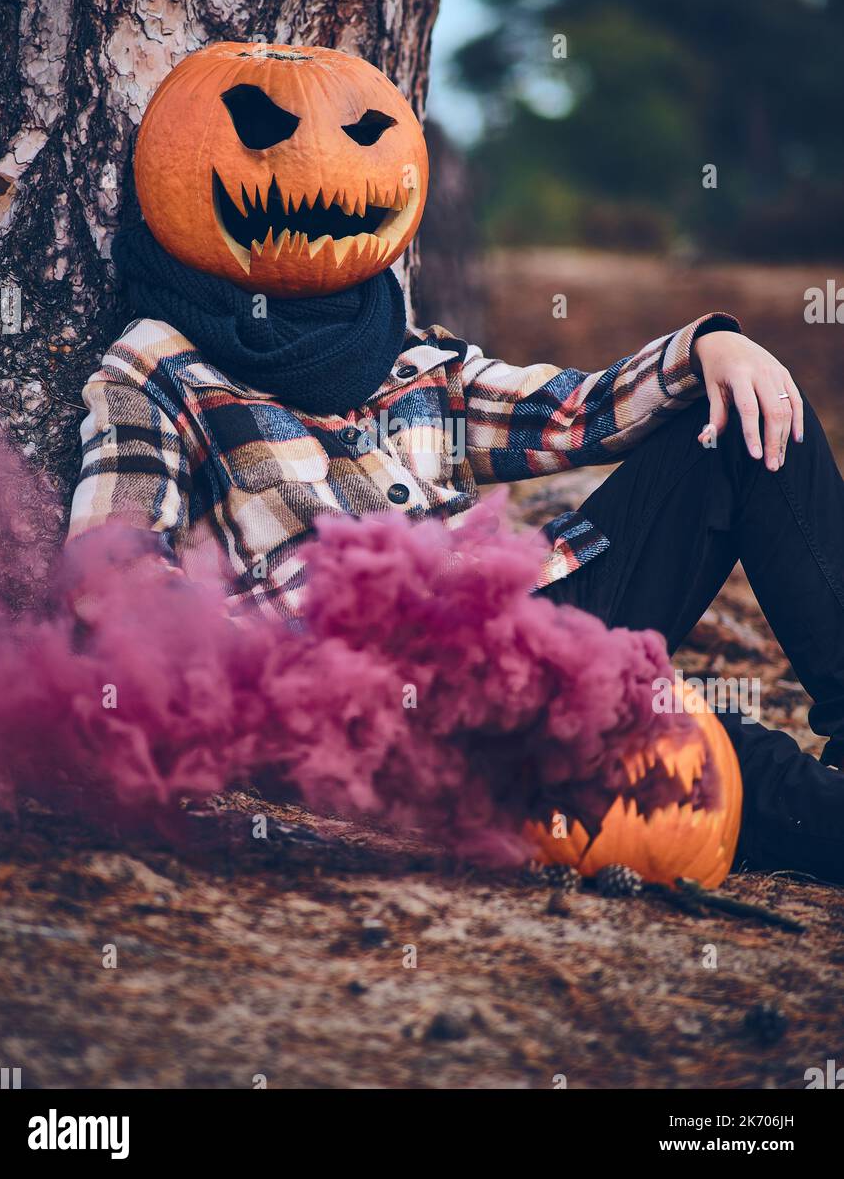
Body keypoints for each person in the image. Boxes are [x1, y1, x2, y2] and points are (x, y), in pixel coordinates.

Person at [68, 43, 844, 883]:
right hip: (412, 716)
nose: (324, 166)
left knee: (748, 414)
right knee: (726, 765)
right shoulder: (156, 371)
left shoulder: (401, 349)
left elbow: (575, 414)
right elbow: (116, 577)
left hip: (533, 623)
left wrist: (712, 345)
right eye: (268, 131)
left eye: (364, 133)